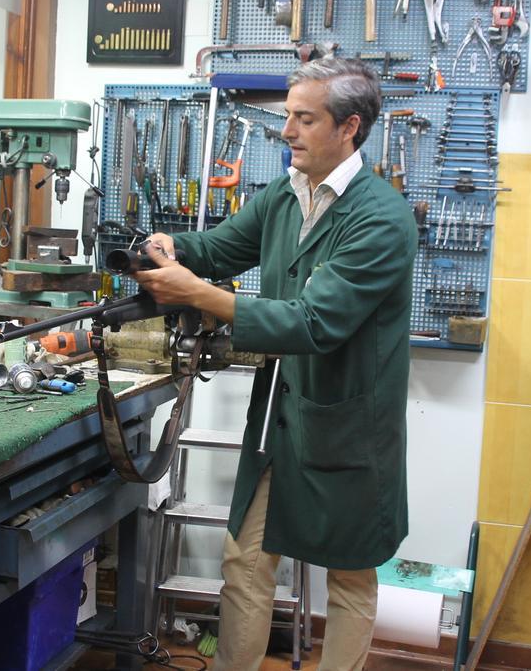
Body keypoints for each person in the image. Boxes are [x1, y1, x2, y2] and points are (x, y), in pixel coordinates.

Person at [133, 57, 417, 671]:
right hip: (279, 419)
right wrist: (170, 248)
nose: (286, 131)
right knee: (245, 561)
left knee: (349, 579)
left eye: (303, 119)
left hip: (348, 426)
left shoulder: (380, 218)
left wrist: (198, 294)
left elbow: (315, 323)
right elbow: (221, 247)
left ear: (350, 127)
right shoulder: (284, 197)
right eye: (287, 116)